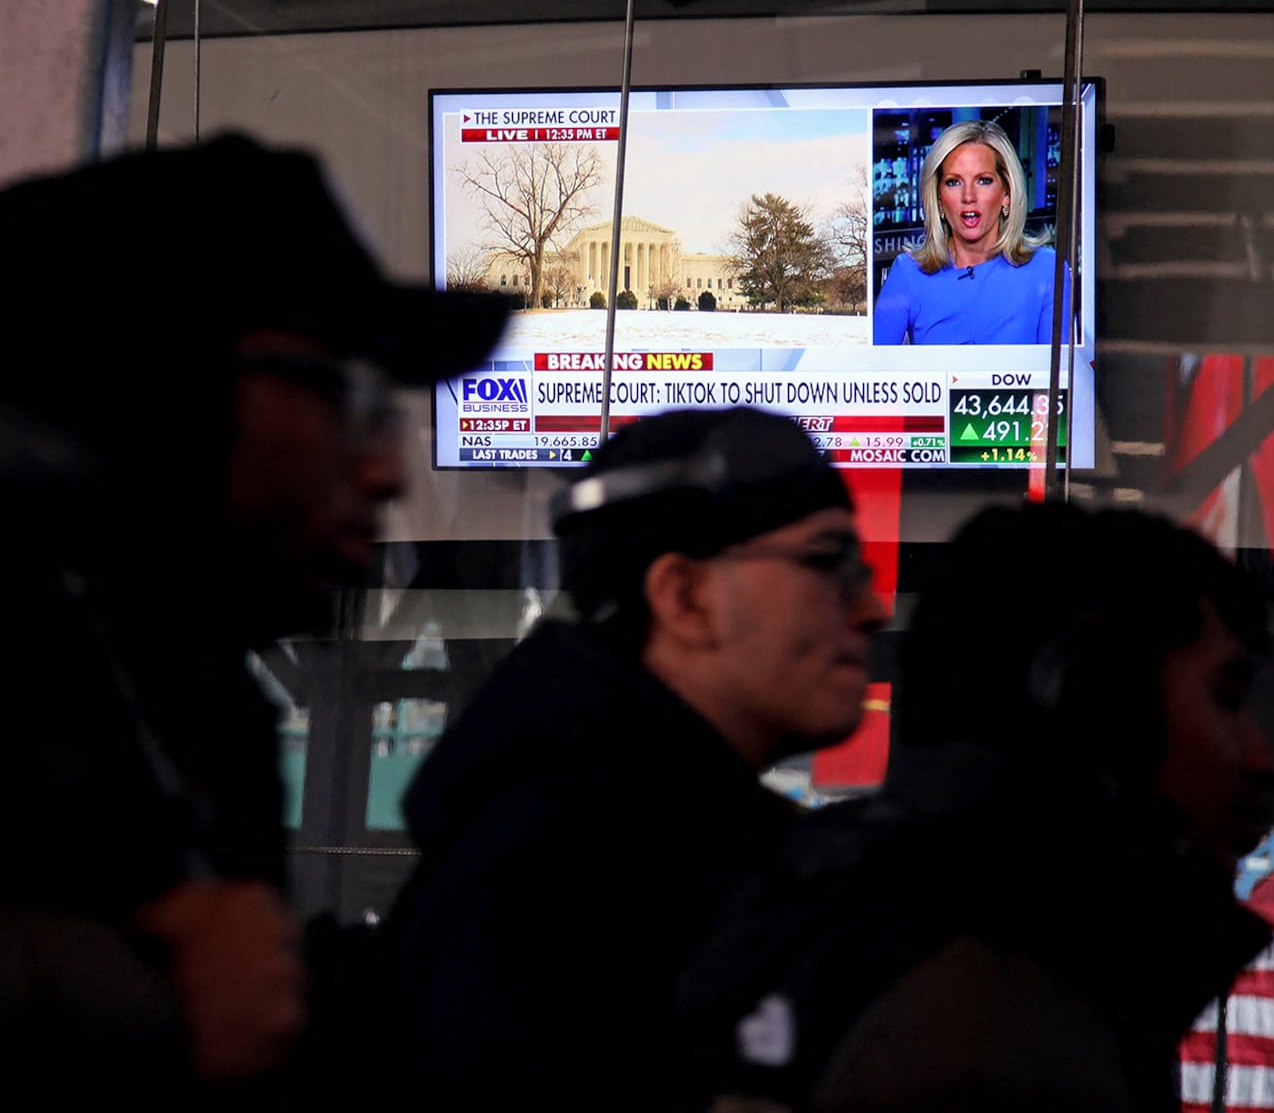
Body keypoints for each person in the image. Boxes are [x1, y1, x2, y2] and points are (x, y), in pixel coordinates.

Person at [0, 134, 510, 1107]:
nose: (389, 471)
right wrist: (136, 997)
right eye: (353, 397)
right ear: (169, 381)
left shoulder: (165, 671)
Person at [678, 500, 1274, 1113]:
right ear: (1093, 707)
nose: (1264, 759)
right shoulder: (997, 1045)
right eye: (1226, 697)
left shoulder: (836, 949)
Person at [383, 407, 889, 1109]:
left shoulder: (598, 834)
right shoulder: (581, 879)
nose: (872, 607)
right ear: (684, 597)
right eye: (827, 561)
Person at [872, 119, 1062, 346]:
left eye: (983, 180)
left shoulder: (1048, 270)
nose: (968, 197)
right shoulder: (908, 273)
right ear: (939, 199)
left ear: (1006, 193)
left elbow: (1063, 378)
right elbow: (875, 374)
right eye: (954, 182)